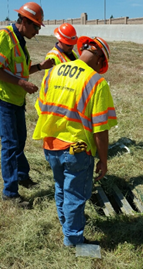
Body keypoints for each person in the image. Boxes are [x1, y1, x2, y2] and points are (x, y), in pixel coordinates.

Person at [32, 36, 117, 247]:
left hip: (50, 145)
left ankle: (67, 227)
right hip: (76, 150)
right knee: (75, 196)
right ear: (99, 59)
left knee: (61, 188)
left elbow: (40, 108)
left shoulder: (52, 73)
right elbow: (100, 129)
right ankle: (73, 239)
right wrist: (103, 160)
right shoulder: (96, 82)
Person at [0, 2, 54, 207]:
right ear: (24, 21)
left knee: (20, 140)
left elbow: (19, 71)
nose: (38, 30)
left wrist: (40, 67)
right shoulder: (6, 38)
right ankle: (10, 193)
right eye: (36, 26)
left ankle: (22, 176)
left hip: (16, 100)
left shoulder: (19, 41)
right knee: (10, 145)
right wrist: (22, 83)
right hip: (4, 100)